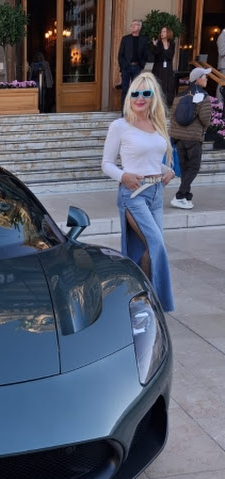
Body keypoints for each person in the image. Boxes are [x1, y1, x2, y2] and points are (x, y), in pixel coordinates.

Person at [102, 72, 175, 312]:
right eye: (135, 93)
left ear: (154, 97)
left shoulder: (158, 125)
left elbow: (153, 159)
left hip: (156, 194)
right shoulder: (120, 126)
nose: (140, 98)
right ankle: (149, 301)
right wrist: (123, 176)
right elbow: (106, 164)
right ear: (129, 97)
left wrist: (167, 170)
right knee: (155, 244)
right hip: (133, 195)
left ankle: (138, 296)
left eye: (146, 93)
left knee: (149, 248)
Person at [169, 67, 212, 210]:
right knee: (193, 167)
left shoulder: (179, 95)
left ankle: (186, 196)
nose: (206, 79)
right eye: (205, 77)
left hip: (178, 137)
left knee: (185, 167)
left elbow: (173, 116)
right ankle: (180, 196)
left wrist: (174, 133)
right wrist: (204, 128)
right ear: (198, 79)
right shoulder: (203, 96)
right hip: (193, 138)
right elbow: (205, 118)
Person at [118, 20, 149, 113]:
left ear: (139, 27)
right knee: (125, 90)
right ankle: (124, 112)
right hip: (126, 67)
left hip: (137, 67)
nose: (132, 26)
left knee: (135, 90)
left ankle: (134, 111)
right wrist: (123, 65)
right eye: (131, 25)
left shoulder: (144, 39)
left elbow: (145, 54)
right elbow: (120, 54)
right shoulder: (125, 39)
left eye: (135, 25)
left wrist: (141, 65)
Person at [151, 26, 176, 106]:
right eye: (161, 32)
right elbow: (157, 55)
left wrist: (164, 56)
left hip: (168, 68)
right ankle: (157, 103)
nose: (162, 33)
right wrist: (155, 46)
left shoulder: (172, 44)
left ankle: (167, 103)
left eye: (164, 32)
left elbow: (170, 56)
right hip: (158, 67)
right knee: (159, 84)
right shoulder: (158, 43)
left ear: (168, 33)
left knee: (168, 85)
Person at [216, 27, 225, 103]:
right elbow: (221, 52)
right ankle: (219, 105)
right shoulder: (222, 36)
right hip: (224, 66)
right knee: (222, 86)